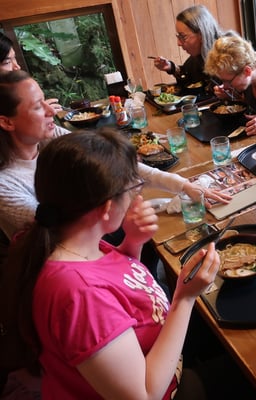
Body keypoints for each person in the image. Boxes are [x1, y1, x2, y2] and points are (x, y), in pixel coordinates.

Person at [4, 128, 219, 399]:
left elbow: (114, 283)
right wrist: (184, 299)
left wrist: (132, 243)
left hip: (156, 345)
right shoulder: (80, 295)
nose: (135, 197)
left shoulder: (69, 240)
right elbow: (143, 395)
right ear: (107, 208)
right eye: (132, 189)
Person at [0, 70, 231, 260]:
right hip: (77, 260)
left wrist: (182, 184)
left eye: (45, 100)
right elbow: (63, 233)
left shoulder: (50, 137)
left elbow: (116, 162)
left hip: (100, 234)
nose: (51, 111)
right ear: (6, 122)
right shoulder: (5, 184)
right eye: (37, 107)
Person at [153, 5, 227, 89]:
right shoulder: (198, 56)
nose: (179, 43)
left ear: (201, 35)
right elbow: (187, 76)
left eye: (183, 37)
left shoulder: (228, 56)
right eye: (178, 37)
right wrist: (171, 67)